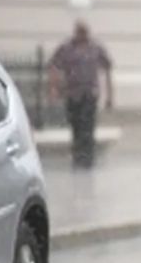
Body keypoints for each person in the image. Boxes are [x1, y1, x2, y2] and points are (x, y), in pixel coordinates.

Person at [48, 20, 113, 168]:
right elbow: (54, 66)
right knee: (76, 126)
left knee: (88, 127)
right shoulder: (66, 48)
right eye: (80, 31)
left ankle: (87, 158)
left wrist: (109, 95)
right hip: (72, 94)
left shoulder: (95, 48)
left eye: (84, 31)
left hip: (89, 94)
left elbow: (107, 68)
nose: (83, 34)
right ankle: (78, 156)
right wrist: (54, 88)